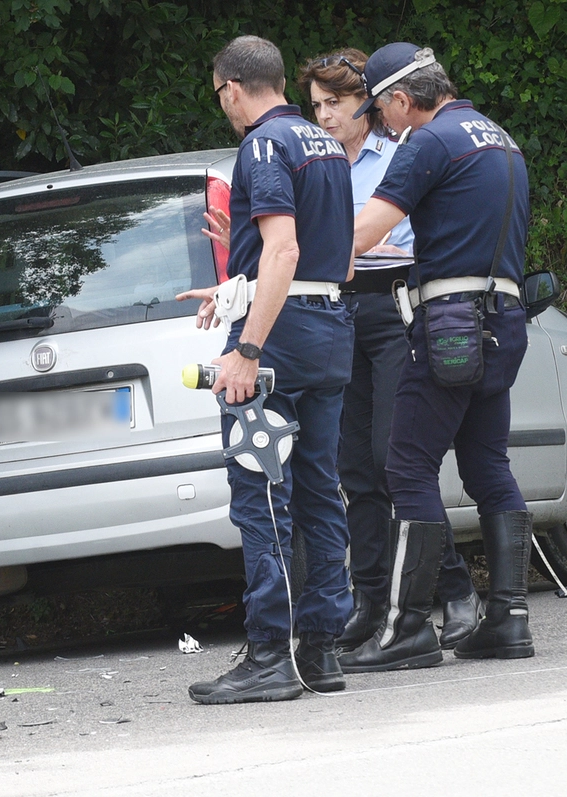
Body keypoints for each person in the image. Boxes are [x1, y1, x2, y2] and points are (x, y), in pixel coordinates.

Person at [177, 35, 356, 704]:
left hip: (275, 346)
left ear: (229, 86)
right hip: (328, 333)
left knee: (261, 498)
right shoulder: (324, 145)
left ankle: (268, 656)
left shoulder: (260, 145)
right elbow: (325, 264)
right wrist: (235, 283)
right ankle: (320, 650)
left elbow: (281, 252)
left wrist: (245, 348)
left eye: (218, 92)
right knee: (317, 493)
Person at [345, 43, 534, 667]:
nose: (381, 125)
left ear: (402, 99)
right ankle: (508, 619)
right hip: (504, 322)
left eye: (379, 111)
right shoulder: (499, 138)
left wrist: (289, 257)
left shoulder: (428, 141)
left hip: (451, 326)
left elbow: (366, 232)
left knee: (406, 468)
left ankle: (407, 632)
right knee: (487, 467)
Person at [295, 50, 483, 661]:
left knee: (392, 459)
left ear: (367, 106)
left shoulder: (405, 152)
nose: (323, 117)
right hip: (340, 308)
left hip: (396, 304)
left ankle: (454, 590)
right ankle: (371, 601)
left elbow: (392, 234)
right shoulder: (315, 163)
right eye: (315, 105)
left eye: (335, 104)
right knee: (353, 468)